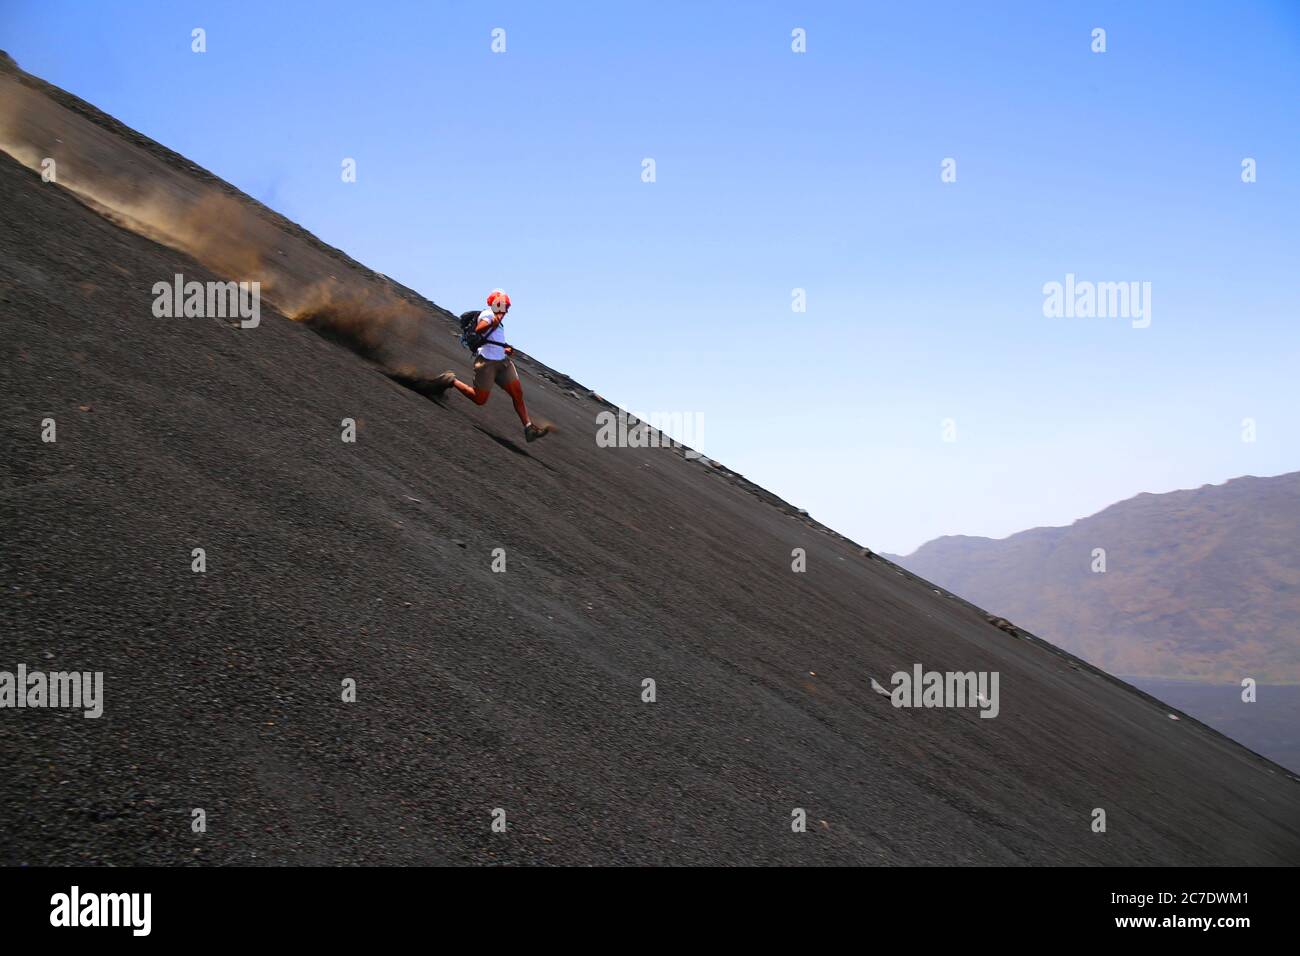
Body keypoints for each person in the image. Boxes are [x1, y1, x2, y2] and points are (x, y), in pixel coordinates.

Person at [439, 289, 549, 442]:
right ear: (498, 304)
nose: (507, 310)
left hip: (503, 363)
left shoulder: (498, 321)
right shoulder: (488, 315)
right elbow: (480, 329)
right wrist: (494, 321)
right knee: (479, 399)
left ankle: (528, 428)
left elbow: (491, 339)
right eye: (506, 306)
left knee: (517, 394)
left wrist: (505, 348)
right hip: (487, 364)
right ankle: (451, 380)